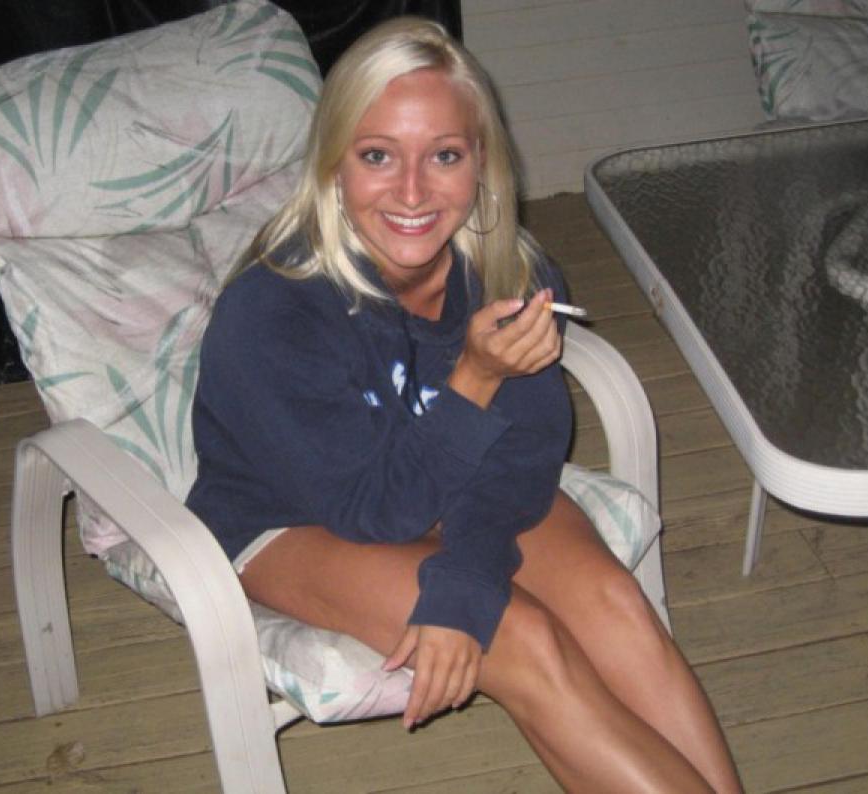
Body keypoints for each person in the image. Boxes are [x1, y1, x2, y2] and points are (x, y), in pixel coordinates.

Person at [185, 16, 743, 793]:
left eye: (444, 155)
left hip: (446, 481)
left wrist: (465, 580)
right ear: (333, 164)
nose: (413, 192)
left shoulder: (511, 272)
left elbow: (523, 454)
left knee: (613, 602)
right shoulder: (272, 313)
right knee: (522, 639)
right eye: (378, 155)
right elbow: (374, 510)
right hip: (298, 516)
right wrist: (474, 379)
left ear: (482, 161)